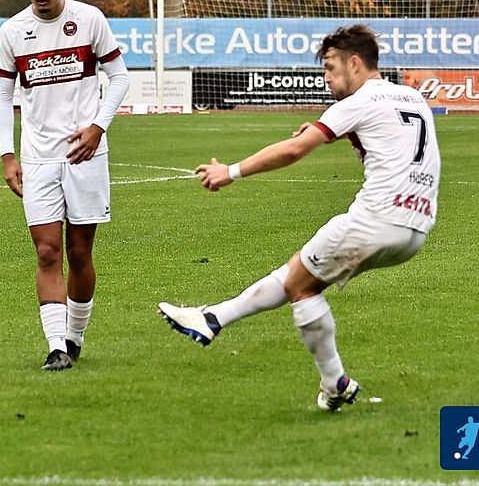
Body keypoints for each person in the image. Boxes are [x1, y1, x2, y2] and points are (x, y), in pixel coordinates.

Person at [158, 24, 441, 411]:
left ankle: (331, 379)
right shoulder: (411, 96)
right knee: (300, 276)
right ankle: (213, 319)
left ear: (354, 63)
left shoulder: (355, 103)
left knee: (301, 287)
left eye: (330, 67)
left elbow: (294, 150)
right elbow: (388, 135)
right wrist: (335, 128)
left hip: (375, 218)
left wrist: (232, 171)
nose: (326, 78)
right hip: (416, 228)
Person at [0, 0, 130, 371]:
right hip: (37, 159)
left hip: (85, 156)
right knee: (48, 251)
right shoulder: (13, 31)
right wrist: (7, 154)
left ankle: (75, 336)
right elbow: (0, 95)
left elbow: (119, 77)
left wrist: (97, 127)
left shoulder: (90, 20)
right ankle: (55, 346)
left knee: (80, 252)